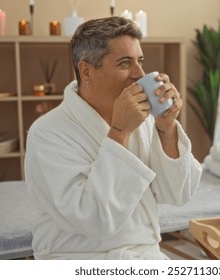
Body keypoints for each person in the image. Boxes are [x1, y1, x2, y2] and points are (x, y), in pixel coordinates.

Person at [24, 16, 202, 260]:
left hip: (145, 255)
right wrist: (119, 132)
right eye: (125, 63)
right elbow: (93, 219)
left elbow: (178, 193)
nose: (139, 74)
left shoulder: (144, 120)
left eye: (140, 61)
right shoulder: (47, 133)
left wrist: (166, 125)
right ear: (87, 71)